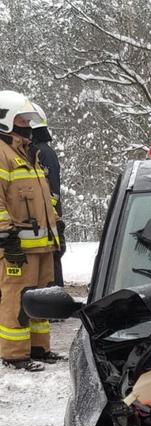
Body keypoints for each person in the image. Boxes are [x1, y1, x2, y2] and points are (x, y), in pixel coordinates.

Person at [0, 91, 60, 371]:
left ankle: (39, 347)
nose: (27, 125)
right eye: (22, 119)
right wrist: (6, 235)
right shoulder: (3, 155)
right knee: (17, 297)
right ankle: (15, 354)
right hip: (17, 246)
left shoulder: (26, 153)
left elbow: (40, 198)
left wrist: (56, 224)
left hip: (41, 244)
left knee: (41, 297)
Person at [30, 102, 65, 287]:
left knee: (50, 263)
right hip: (47, 220)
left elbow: (50, 191)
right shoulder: (44, 151)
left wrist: (48, 214)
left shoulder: (41, 152)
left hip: (47, 220)